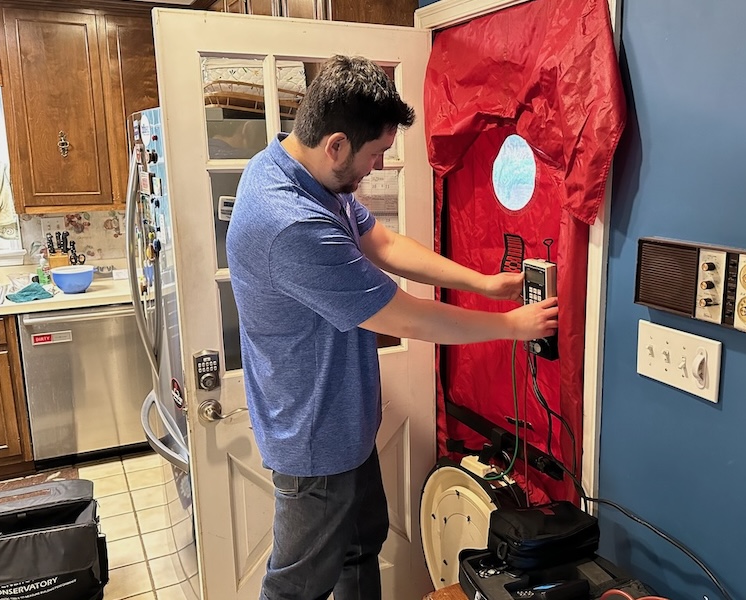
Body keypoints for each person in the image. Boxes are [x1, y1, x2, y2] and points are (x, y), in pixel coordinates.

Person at [226, 55, 558, 600]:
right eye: (376, 152)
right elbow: (405, 315)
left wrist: (482, 282)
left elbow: (381, 242)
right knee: (296, 587)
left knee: (362, 552)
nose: (377, 167)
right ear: (336, 145)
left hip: (343, 422)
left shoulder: (298, 170)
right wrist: (511, 326)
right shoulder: (288, 223)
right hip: (313, 440)